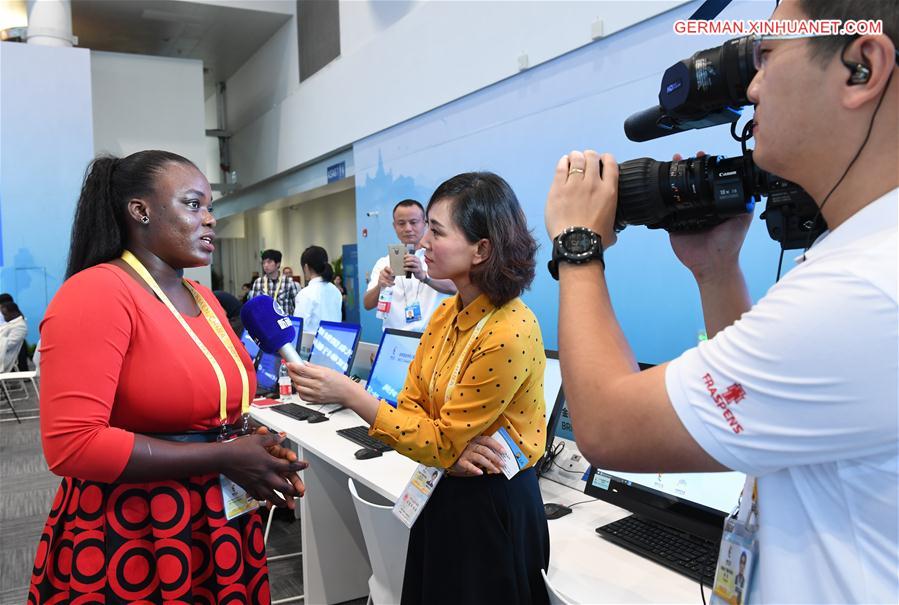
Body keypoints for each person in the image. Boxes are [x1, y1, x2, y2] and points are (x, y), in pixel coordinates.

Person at [543, 1, 897, 602]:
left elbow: (604, 426)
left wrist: (578, 244)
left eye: (766, 55)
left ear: (860, 68)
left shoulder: (865, 290)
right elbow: (776, 403)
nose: (753, 84)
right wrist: (715, 269)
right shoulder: (861, 257)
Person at [31, 150, 307, 602]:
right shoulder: (97, 292)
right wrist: (224, 457)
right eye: (193, 205)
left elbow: (209, 408)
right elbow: (72, 445)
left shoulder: (203, 298)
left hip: (217, 516)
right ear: (140, 211)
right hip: (137, 527)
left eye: (211, 208)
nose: (210, 220)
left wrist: (255, 449)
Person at [290, 173, 550, 605]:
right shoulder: (447, 312)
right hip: (445, 486)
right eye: (424, 227)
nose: (423, 241)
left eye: (436, 230)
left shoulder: (510, 330)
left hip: (491, 505)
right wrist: (448, 446)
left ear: (482, 249)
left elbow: (440, 437)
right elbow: (412, 404)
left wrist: (352, 395)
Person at [363, 199, 456, 331]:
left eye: (413, 222)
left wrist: (425, 277)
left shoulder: (439, 256)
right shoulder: (384, 262)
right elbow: (367, 304)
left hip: (431, 339)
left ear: (424, 224)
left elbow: (455, 288)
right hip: (394, 340)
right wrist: (380, 285)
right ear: (394, 226)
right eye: (401, 223)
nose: (408, 229)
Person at [293, 245, 343, 333]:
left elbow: (299, 329)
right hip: (334, 341)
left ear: (306, 267)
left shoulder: (305, 294)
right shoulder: (335, 290)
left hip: (312, 345)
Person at [249, 249, 299, 315]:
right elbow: (254, 306)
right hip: (265, 321)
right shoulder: (258, 283)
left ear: (278, 264)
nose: (265, 265)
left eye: (269, 262)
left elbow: (296, 306)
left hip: (284, 322)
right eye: (263, 262)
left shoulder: (289, 282)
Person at [0, 302, 28, 372]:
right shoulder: (9, 324)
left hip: (4, 358)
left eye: (5, 314)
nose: (4, 317)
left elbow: (8, 344)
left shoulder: (20, 326)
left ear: (14, 313)